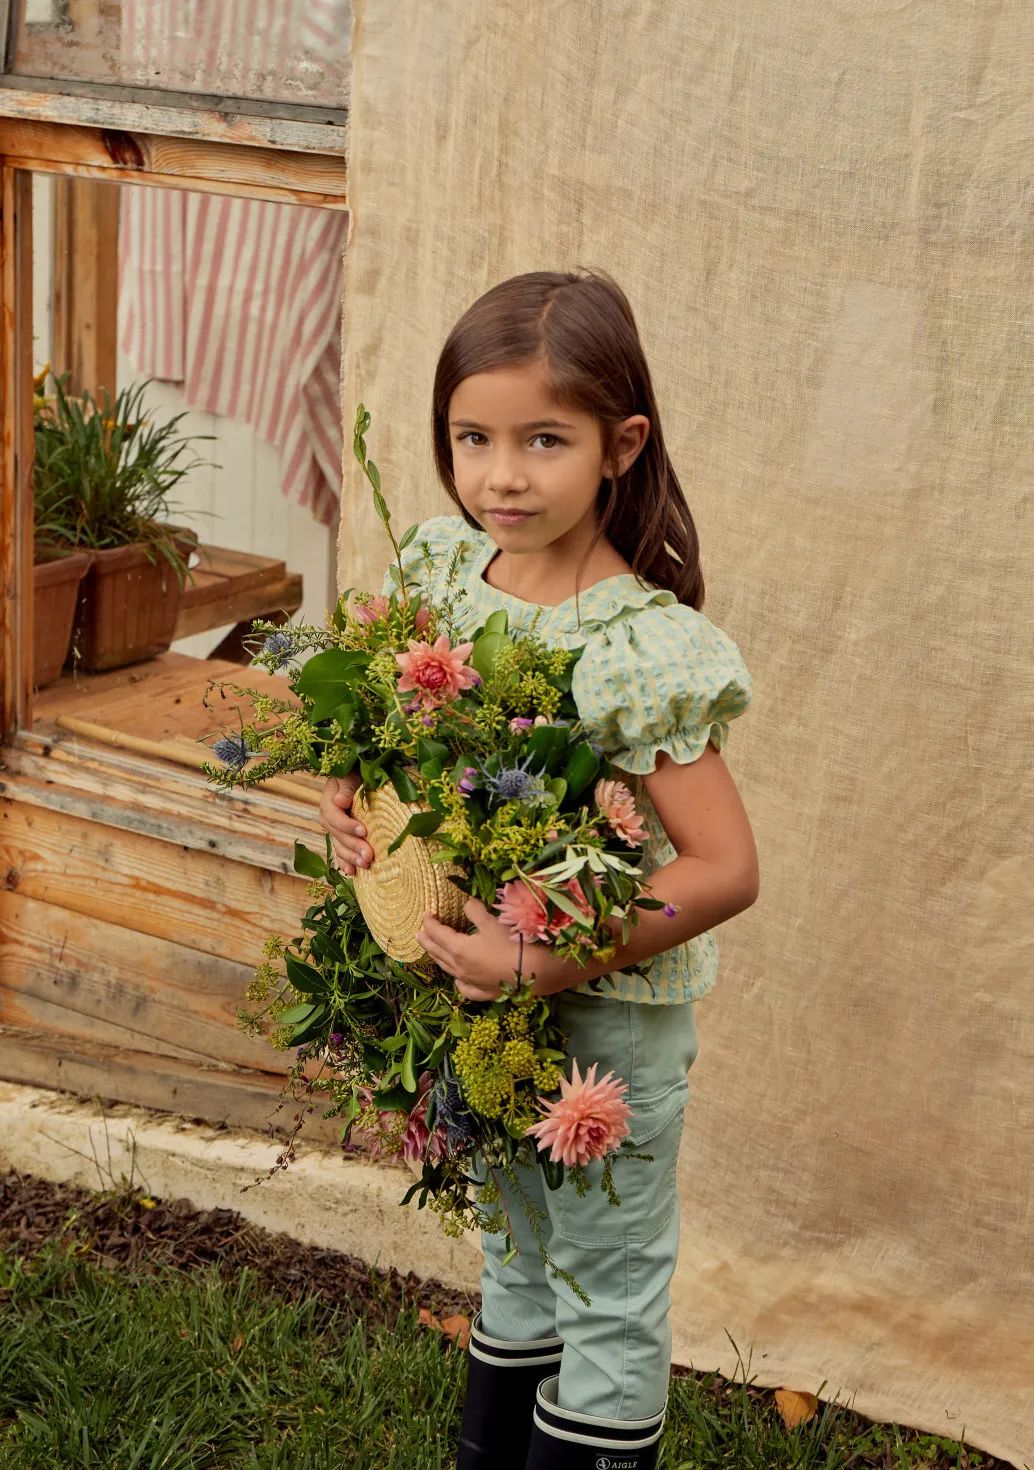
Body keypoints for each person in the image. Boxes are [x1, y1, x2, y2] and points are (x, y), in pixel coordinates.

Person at [319, 270, 759, 1470]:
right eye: (473, 438)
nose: (500, 476)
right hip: (475, 1011)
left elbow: (724, 867)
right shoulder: (443, 578)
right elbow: (386, 744)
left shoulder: (634, 644)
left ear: (619, 447)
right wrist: (348, 803)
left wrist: (546, 956)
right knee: (514, 1254)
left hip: (601, 1028)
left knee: (603, 1289)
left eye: (542, 441)